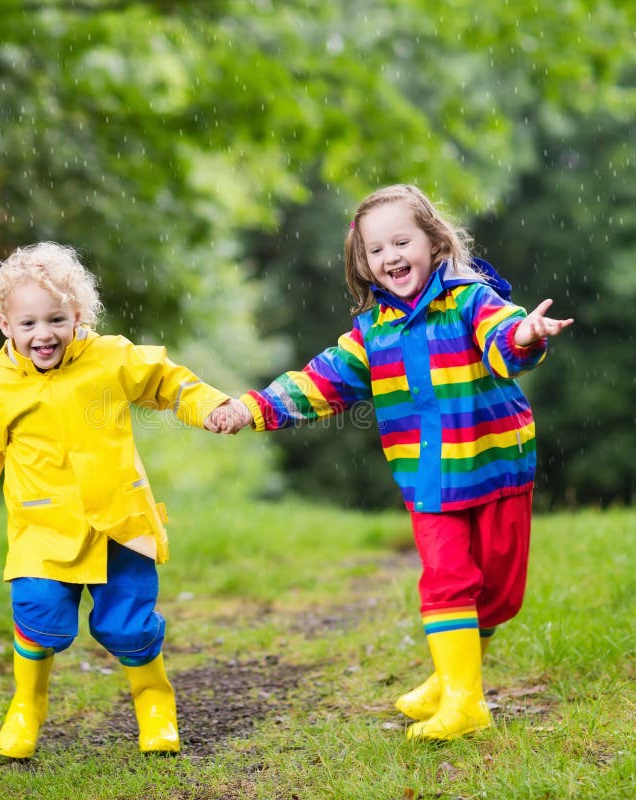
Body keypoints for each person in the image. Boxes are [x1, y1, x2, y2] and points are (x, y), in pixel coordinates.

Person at [208, 184, 573, 741]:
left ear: (432, 241)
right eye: (376, 251)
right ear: (364, 263)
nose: (391, 257)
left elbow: (502, 341)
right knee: (448, 582)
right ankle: (464, 698)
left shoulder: (472, 299)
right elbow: (317, 382)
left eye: (402, 242)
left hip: (497, 465)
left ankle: (454, 676)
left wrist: (524, 335)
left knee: (498, 594)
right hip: (429, 479)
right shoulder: (371, 334)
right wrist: (251, 408)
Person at [0, 242, 231, 758]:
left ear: (77, 316)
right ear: (4, 325)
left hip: (119, 523)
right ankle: (26, 706)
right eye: (28, 323)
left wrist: (211, 407)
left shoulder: (110, 359)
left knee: (126, 624)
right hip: (43, 530)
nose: (44, 334)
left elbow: (168, 381)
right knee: (38, 612)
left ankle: (154, 702)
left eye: (56, 319)